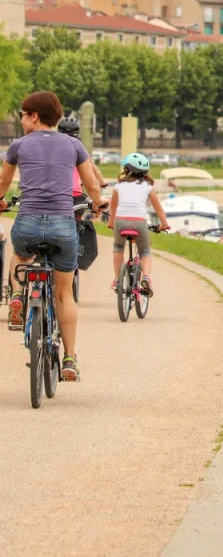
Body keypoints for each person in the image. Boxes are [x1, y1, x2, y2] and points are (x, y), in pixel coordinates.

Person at [0, 92, 103, 382]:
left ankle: (18, 295)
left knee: (19, 255)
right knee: (63, 294)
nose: (20, 118)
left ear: (34, 116)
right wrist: (97, 204)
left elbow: (3, 182)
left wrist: (1, 200)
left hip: (28, 224)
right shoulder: (74, 145)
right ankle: (69, 359)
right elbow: (91, 184)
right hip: (62, 226)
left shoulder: (18, 146)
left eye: (22, 113)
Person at [108, 153, 169, 297]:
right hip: (140, 222)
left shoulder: (118, 186)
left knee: (118, 247)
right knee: (145, 251)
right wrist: (164, 224)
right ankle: (146, 277)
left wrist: (111, 223)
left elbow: (113, 208)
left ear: (126, 170)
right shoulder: (147, 187)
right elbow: (158, 208)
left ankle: (117, 279)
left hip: (121, 221)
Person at [58, 114, 107, 219]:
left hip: (57, 195)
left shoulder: (53, 147)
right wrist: (102, 183)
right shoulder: (78, 148)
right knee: (78, 221)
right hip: (75, 196)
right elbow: (94, 169)